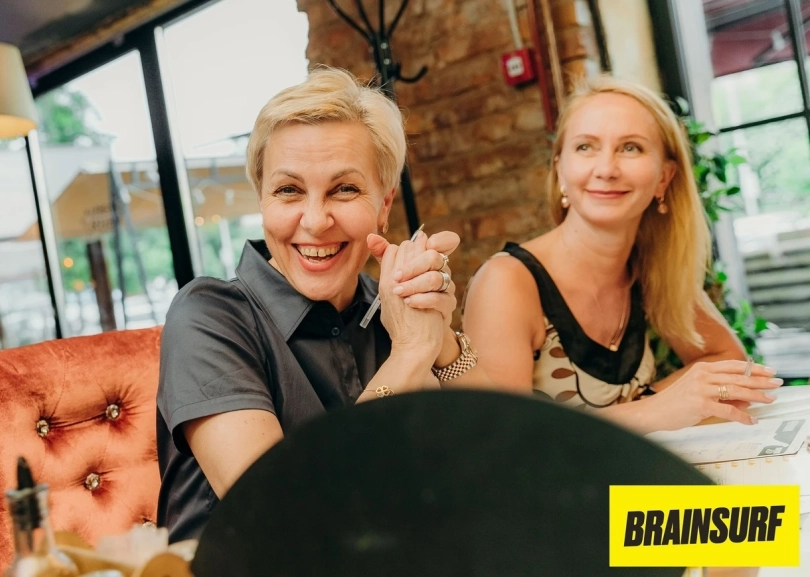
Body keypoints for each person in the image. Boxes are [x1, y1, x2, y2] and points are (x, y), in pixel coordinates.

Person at [156, 67, 482, 542]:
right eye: (288, 190)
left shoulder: (391, 305)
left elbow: (505, 457)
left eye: (344, 189)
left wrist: (439, 334)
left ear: (384, 205)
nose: (314, 220)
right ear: (262, 200)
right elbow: (282, 515)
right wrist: (411, 354)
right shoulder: (208, 316)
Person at [462, 76, 781, 434]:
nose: (606, 170)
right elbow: (504, 441)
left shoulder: (649, 267)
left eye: (630, 148)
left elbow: (730, 363)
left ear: (664, 178)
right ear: (560, 170)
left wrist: (651, 403)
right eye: (585, 147)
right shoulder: (507, 282)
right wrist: (651, 411)